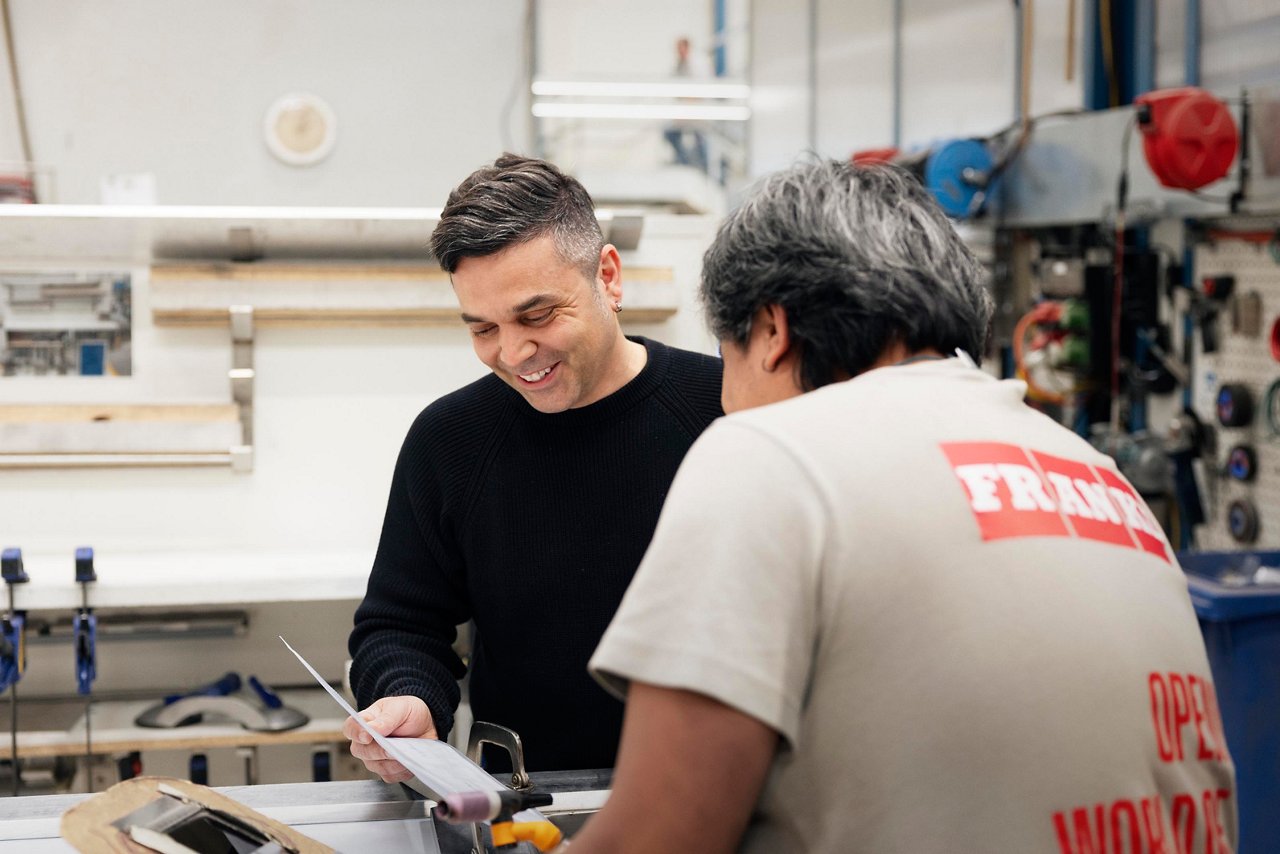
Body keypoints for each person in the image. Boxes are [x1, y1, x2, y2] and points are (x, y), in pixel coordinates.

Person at [573, 161, 1237, 852]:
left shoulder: (769, 454)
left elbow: (657, 838)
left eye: (726, 356)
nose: (726, 396)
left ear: (772, 330)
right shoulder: (1101, 479)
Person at [344, 154, 723, 777]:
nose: (514, 353)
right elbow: (400, 623)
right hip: (529, 801)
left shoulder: (725, 409)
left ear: (608, 276)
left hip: (718, 794)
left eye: (537, 315)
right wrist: (408, 699)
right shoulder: (450, 440)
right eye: (482, 328)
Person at [662, 37, 709, 173]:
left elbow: (700, 91)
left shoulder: (698, 64)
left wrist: (687, 104)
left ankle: (702, 166)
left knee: (700, 139)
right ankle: (685, 161)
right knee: (670, 134)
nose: (678, 52)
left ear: (687, 48)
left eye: (680, 49)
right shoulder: (679, 65)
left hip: (698, 112)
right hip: (683, 112)